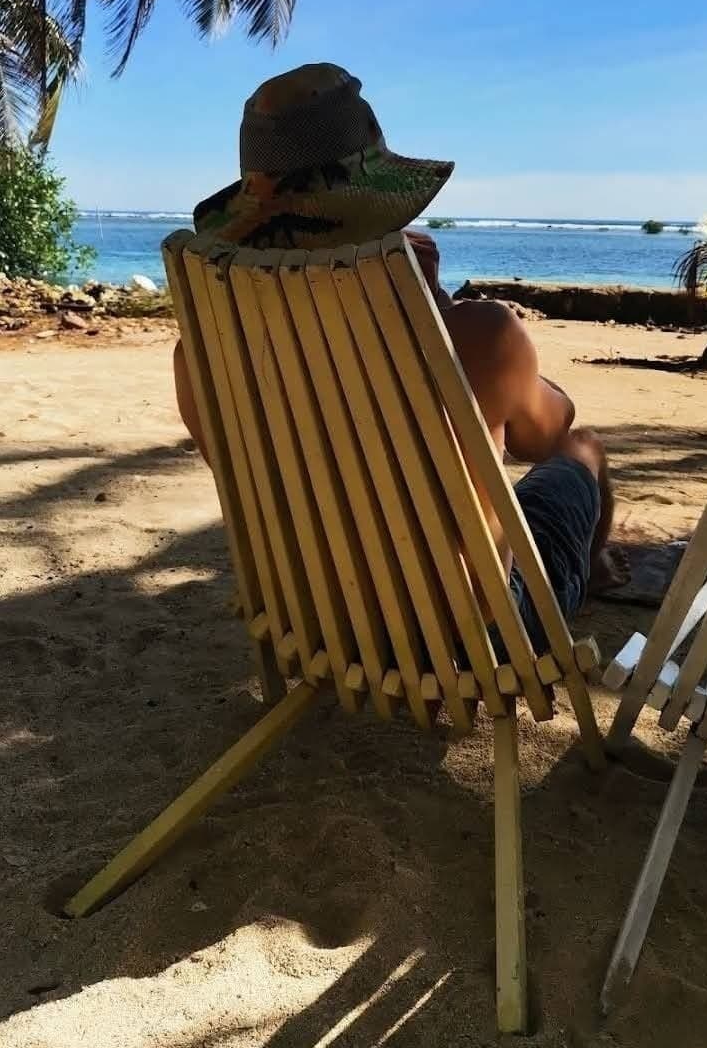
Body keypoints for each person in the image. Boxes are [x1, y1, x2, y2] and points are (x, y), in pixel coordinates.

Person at [174, 63, 622, 652]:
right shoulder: (481, 336)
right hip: (469, 638)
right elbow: (544, 436)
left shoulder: (201, 357)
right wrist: (442, 321)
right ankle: (586, 577)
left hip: (316, 616)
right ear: (381, 203)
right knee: (582, 449)